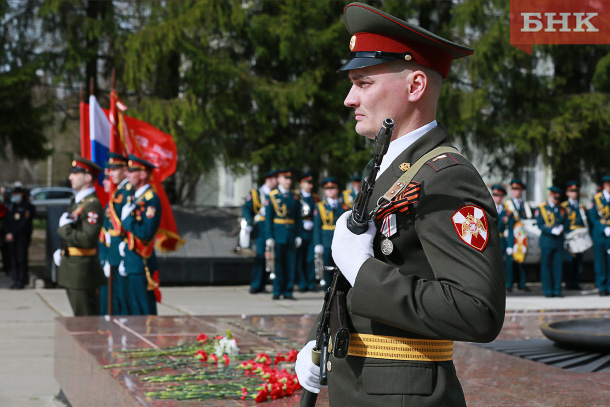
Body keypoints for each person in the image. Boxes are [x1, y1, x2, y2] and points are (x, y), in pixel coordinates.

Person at [295, 4, 505, 406]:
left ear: (415, 86)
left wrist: (362, 268)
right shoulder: (391, 171)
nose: (349, 99)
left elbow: (477, 310)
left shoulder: (445, 177)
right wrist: (320, 340)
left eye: (363, 83)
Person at [54, 158, 106, 315]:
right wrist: (64, 251)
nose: (70, 177)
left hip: (82, 271)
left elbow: (88, 239)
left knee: (86, 319)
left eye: (75, 174)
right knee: (81, 318)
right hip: (74, 270)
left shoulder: (91, 205)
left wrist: (64, 229)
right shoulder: (79, 202)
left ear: (88, 177)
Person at [119, 155, 162, 315]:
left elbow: (146, 233)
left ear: (143, 174)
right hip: (132, 262)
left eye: (132, 171)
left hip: (141, 263)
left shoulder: (151, 200)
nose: (127, 174)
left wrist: (127, 220)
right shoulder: (136, 197)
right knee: (133, 313)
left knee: (143, 313)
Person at [99, 153, 132, 315]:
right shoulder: (118, 192)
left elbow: (124, 228)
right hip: (113, 254)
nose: (110, 173)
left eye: (114, 169)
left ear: (124, 170)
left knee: (124, 301)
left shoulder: (127, 192)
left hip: (121, 254)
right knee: (116, 302)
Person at [264, 169, 302, 300]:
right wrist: (269, 236)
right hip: (278, 234)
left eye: (290, 179)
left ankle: (288, 291)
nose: (288, 181)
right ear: (279, 179)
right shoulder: (272, 196)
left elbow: (298, 218)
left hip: (291, 234)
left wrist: (298, 235)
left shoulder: (295, 196)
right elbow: (268, 218)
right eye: (285, 178)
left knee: (290, 264)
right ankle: (277, 290)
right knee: (278, 264)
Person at [242, 169, 279, 294]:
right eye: (274, 178)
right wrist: (249, 222)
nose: (276, 181)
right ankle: (255, 284)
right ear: (268, 179)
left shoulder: (275, 194)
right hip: (261, 227)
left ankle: (263, 284)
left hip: (272, 227)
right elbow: (246, 209)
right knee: (260, 256)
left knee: (270, 257)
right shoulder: (256, 193)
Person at [313, 177, 349, 287]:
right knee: (327, 268)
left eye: (333, 188)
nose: (330, 191)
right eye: (327, 189)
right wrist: (318, 243)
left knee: (341, 268)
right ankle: (327, 290)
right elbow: (317, 227)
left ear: (337, 190)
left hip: (340, 241)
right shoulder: (320, 206)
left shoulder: (344, 207)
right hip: (326, 241)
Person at [535, 186, 566, 298]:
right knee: (546, 266)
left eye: (558, 198)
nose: (556, 200)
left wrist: (562, 227)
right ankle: (548, 290)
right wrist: (551, 230)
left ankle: (557, 290)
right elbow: (540, 224)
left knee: (558, 267)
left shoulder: (561, 209)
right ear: (550, 196)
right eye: (554, 198)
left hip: (558, 241)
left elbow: (566, 222)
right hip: (547, 241)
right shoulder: (542, 208)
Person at [504, 178, 531, 292]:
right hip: (510, 235)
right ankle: (509, 284)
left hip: (522, 235)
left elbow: (528, 218)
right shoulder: (507, 204)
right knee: (509, 261)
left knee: (522, 258)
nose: (515, 192)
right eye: (513, 189)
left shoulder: (525, 204)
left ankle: (522, 283)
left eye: (517, 190)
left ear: (521, 191)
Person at [5, 186, 35, 289]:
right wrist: (8, 233)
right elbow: (7, 221)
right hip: (11, 237)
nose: (15, 196)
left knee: (21, 258)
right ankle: (15, 280)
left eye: (17, 194)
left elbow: (24, 223)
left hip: (21, 237)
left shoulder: (27, 207)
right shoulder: (11, 206)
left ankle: (21, 280)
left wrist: (13, 233)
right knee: (13, 259)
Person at [561, 180, 587, 290]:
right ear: (567, 193)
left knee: (579, 260)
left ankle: (576, 282)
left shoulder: (581, 206)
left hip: (580, 235)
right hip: (570, 236)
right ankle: (569, 283)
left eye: (576, 191)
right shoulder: (564, 206)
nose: (574, 194)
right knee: (570, 260)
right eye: (572, 191)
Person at [296, 171, 319, 292]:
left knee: (310, 259)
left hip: (312, 231)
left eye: (311, 183)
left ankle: (311, 283)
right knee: (300, 259)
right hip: (300, 231)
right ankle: (302, 283)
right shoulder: (297, 197)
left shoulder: (315, 198)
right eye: (307, 183)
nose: (310, 185)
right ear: (301, 183)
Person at [589, 175, 610, 296]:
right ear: (606, 185)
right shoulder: (596, 199)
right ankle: (602, 287)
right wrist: (604, 228)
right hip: (600, 235)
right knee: (600, 262)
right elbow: (593, 218)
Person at [491, 184, 509, 263]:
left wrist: (510, 245)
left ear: (502, 197)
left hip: (501, 241)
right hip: (491, 241)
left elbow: (510, 229)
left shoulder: (507, 212)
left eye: (497, 195)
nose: (495, 197)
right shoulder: (489, 209)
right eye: (494, 195)